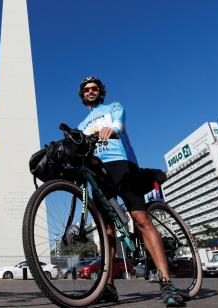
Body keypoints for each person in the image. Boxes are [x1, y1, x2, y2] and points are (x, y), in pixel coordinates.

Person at [77, 76, 184, 307]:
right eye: (87, 90)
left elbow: (119, 123)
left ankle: (166, 282)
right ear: (83, 95)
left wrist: (111, 128)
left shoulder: (112, 107)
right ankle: (109, 287)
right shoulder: (81, 126)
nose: (91, 91)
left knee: (140, 218)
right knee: (106, 230)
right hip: (98, 173)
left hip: (121, 164)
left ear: (100, 92)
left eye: (95, 88)